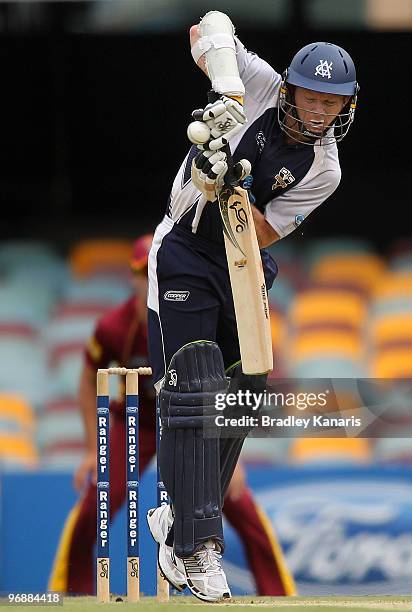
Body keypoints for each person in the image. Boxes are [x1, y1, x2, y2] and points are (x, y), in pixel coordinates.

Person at [146, 9, 359, 602]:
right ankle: (198, 540)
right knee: (197, 381)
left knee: (247, 388)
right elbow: (205, 26)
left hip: (241, 256)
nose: (319, 110)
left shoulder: (324, 170)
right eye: (311, 96)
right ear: (290, 87)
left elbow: (260, 233)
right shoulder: (259, 83)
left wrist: (227, 183)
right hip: (187, 245)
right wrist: (226, 91)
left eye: (332, 102)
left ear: (346, 107)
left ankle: (183, 516)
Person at [48, 234, 295, 598]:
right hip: (140, 423)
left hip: (197, 422)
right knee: (96, 504)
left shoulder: (200, 309)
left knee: (240, 506)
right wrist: (91, 449)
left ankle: (280, 596)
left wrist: (227, 454)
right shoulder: (114, 328)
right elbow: (89, 378)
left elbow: (229, 380)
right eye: (140, 274)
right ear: (136, 278)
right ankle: (68, 594)